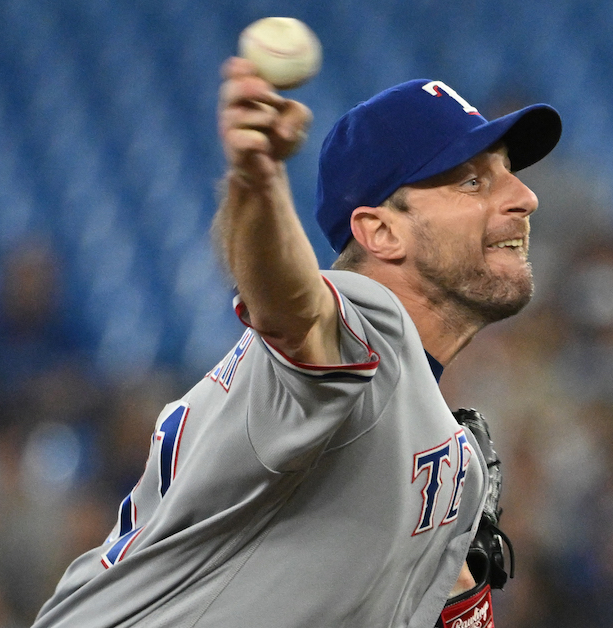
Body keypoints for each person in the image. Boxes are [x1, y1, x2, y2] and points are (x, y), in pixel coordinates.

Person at [32, 57, 561, 628]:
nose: (525, 196)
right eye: (473, 180)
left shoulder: (423, 424)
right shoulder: (364, 322)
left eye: (509, 171)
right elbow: (288, 308)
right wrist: (256, 183)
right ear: (380, 231)